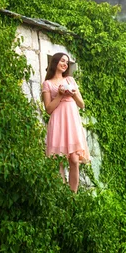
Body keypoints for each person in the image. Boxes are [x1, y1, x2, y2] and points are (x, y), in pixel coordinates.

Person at [41, 53, 90, 193]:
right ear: (55, 62)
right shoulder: (48, 84)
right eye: (62, 61)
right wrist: (60, 95)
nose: (65, 64)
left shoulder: (70, 80)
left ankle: (73, 196)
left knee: (74, 159)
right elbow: (48, 109)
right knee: (59, 160)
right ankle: (62, 195)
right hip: (58, 121)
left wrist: (73, 93)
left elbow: (81, 104)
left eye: (67, 62)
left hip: (72, 121)